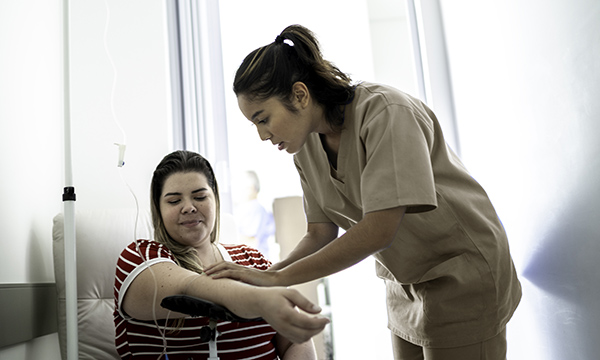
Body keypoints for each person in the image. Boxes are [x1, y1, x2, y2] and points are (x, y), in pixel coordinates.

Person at [205, 24, 522, 360]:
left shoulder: (386, 112)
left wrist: (278, 278)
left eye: (263, 118)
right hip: (404, 282)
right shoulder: (306, 148)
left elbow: (379, 230)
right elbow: (319, 233)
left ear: (300, 95)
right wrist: (266, 276)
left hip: (461, 273)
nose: (262, 135)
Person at [113, 150, 327, 360]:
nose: (189, 207)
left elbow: (294, 340)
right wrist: (259, 300)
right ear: (158, 209)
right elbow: (187, 288)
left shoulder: (253, 260)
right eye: (174, 201)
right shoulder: (140, 258)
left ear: (215, 200)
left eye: (199, 196)